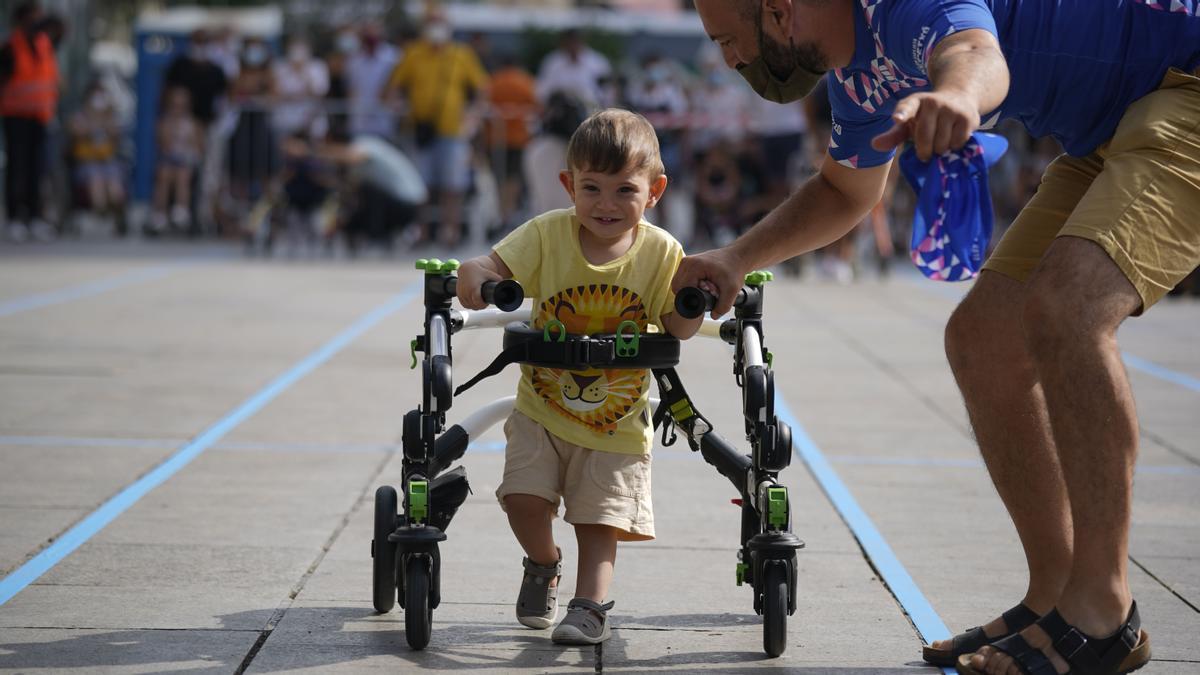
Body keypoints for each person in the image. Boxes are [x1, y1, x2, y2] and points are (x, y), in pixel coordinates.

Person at [681, 2, 1200, 674]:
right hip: (1109, 130)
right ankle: (1056, 593)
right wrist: (735, 258)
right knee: (984, 340)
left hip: (1184, 84)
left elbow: (974, 51)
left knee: (1069, 309)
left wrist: (956, 95)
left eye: (728, 41)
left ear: (779, 11)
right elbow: (845, 191)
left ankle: (1103, 612)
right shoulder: (857, 76)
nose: (728, 60)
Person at [456, 109, 702, 645]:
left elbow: (678, 327)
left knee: (599, 520)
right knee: (522, 499)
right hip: (541, 408)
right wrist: (474, 274)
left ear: (655, 191)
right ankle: (543, 562)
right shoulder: (547, 235)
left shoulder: (661, 253)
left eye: (624, 190)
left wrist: (692, 301)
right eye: (591, 188)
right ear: (568, 185)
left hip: (616, 421)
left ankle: (589, 606)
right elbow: (488, 266)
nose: (606, 204)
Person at [385, 14, 488, 248]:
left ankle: (449, 232)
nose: (435, 29)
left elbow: (481, 89)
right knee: (420, 187)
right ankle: (421, 232)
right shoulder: (413, 53)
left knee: (453, 186)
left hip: (453, 132)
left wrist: (473, 116)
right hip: (421, 132)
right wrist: (397, 107)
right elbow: (395, 87)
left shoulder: (461, 54)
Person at [0, 1, 59, 243]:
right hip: (15, 116)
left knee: (38, 168)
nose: (39, 22)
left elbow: (61, 29)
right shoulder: (10, 47)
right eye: (34, 18)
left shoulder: (44, 44)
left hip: (40, 117)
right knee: (17, 167)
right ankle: (15, 217)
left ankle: (35, 216)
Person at [485, 53, 538, 235]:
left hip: (496, 139)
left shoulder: (493, 81)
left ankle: (503, 212)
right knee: (513, 178)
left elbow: (484, 105)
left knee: (499, 177)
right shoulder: (526, 81)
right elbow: (536, 105)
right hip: (518, 138)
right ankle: (509, 212)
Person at [68, 81, 126, 230]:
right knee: (96, 178)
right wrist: (92, 118)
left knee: (114, 178)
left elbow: (116, 135)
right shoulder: (80, 117)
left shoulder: (109, 117)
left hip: (107, 162)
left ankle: (115, 207)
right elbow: (77, 133)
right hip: (87, 163)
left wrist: (105, 117)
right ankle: (100, 209)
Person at [151, 87, 203, 233]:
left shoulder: (194, 123)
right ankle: (160, 215)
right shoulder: (164, 122)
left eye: (181, 106)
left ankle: (181, 212)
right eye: (175, 105)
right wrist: (173, 127)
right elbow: (164, 145)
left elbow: (199, 147)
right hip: (169, 160)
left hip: (188, 161)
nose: (178, 109)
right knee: (164, 174)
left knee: (182, 174)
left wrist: (188, 149)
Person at [535, 29, 611, 109]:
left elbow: (607, 93)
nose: (572, 45)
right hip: (559, 111)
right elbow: (541, 91)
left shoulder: (597, 62)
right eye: (569, 42)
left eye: (575, 41)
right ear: (563, 43)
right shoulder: (552, 62)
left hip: (591, 111)